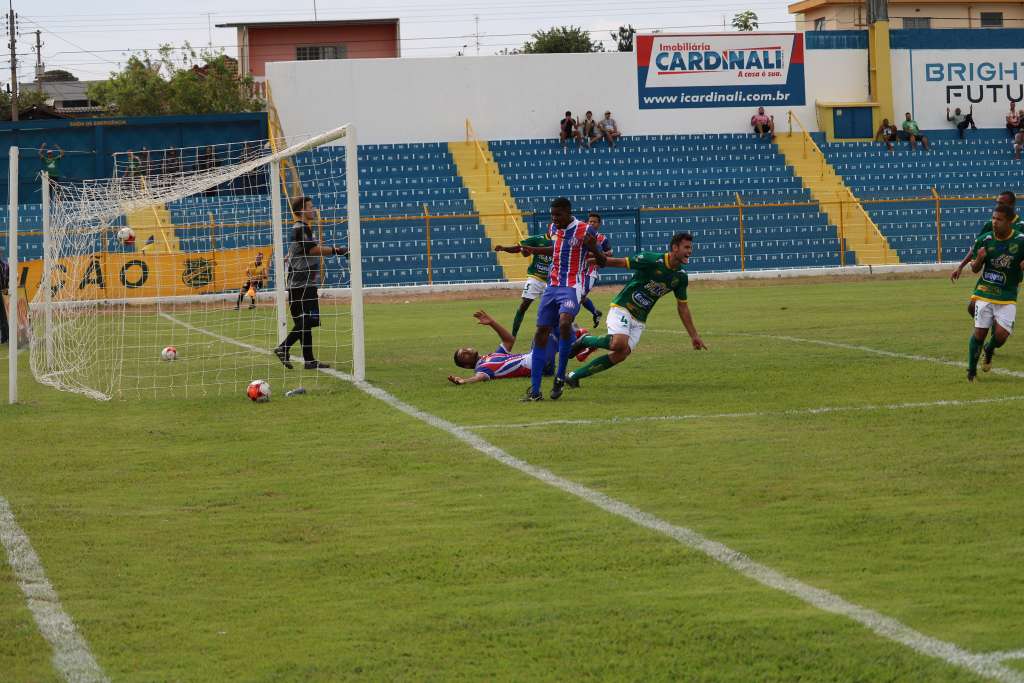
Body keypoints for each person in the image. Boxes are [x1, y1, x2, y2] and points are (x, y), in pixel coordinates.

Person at [566, 232, 708, 389]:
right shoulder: (652, 259)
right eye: (686, 247)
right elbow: (621, 262)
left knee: (621, 354)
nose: (690, 251)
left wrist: (694, 336)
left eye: (691, 248)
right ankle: (584, 340)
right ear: (675, 248)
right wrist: (601, 260)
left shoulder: (680, 277)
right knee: (619, 343)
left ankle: (574, 376)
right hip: (623, 307)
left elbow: (683, 307)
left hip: (640, 318)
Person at [519, 196, 608, 400]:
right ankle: (534, 391)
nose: (555, 219)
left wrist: (593, 247)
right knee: (541, 331)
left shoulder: (586, 230)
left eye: (558, 215)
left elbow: (602, 261)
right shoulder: (553, 228)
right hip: (552, 286)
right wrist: (534, 250)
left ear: (569, 212)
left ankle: (560, 376)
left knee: (565, 322)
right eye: (553, 215)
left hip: (572, 286)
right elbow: (556, 249)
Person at [273, 196, 348, 370]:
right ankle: (284, 347)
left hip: (297, 284)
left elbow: (300, 251)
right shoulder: (300, 228)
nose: (313, 210)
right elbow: (312, 249)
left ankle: (309, 360)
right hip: (303, 284)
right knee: (310, 319)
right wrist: (337, 250)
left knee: (304, 322)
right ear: (302, 211)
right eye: (310, 207)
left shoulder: (302, 229)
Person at [964, 205, 1024, 381]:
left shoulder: (1020, 241)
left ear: (1009, 222)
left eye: (999, 219)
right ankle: (971, 372)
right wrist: (980, 258)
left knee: (1001, 336)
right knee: (979, 333)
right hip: (985, 291)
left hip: (1007, 295)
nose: (994, 222)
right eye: (993, 218)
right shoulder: (985, 239)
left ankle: (989, 349)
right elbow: (975, 269)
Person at [449, 310, 588, 385]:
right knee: (546, 327)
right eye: (464, 354)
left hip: (536, 359)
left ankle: (577, 344)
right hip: (535, 363)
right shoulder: (482, 368)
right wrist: (464, 381)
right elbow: (479, 377)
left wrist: (492, 323)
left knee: (548, 328)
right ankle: (579, 340)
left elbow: (509, 340)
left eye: (464, 348)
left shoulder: (489, 357)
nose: (467, 350)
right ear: (467, 366)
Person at [951, 191, 1020, 287]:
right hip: (990, 276)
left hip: (1012, 280)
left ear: (1011, 205)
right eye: (997, 203)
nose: (997, 206)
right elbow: (977, 246)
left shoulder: (1021, 226)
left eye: (1001, 203)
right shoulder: (991, 224)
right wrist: (960, 266)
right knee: (973, 302)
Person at [494, 229, 554, 339]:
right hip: (535, 277)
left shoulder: (561, 241)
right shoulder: (538, 239)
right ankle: (513, 335)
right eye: (553, 226)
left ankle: (555, 334)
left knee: (553, 309)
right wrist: (504, 248)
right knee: (524, 305)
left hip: (552, 281)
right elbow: (519, 248)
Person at [578, 212, 611, 328]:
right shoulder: (582, 235)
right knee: (578, 296)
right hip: (577, 270)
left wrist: (601, 253)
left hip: (590, 272)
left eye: (594, 222)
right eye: (590, 221)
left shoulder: (602, 238)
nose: (591, 223)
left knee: (579, 296)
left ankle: (568, 323)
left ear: (599, 224)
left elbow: (610, 252)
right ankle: (596, 313)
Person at [0, 249, 8, 345]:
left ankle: (4, 336)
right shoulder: (4, 265)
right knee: (3, 315)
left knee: (3, 315)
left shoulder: (4, 265)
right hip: (3, 291)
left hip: (3, 292)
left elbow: (6, 278)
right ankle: (4, 336)